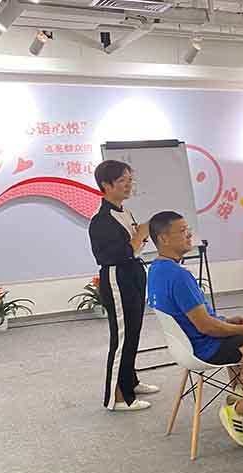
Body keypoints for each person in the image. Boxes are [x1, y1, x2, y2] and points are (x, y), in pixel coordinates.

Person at [147, 211, 243, 449]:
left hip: (190, 345)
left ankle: (239, 392)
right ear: (163, 239)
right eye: (183, 231)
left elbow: (194, 318)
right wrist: (236, 328)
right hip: (207, 346)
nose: (189, 235)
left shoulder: (156, 271)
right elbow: (206, 326)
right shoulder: (179, 276)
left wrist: (229, 321)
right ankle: (240, 410)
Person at [88, 160, 159, 411]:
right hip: (117, 278)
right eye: (123, 181)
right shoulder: (101, 220)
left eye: (130, 179)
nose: (129, 185)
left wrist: (140, 238)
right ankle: (116, 397)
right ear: (106, 185)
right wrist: (138, 237)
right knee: (121, 337)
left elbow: (134, 246)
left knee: (134, 332)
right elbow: (112, 255)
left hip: (134, 273)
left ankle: (130, 380)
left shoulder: (124, 211)